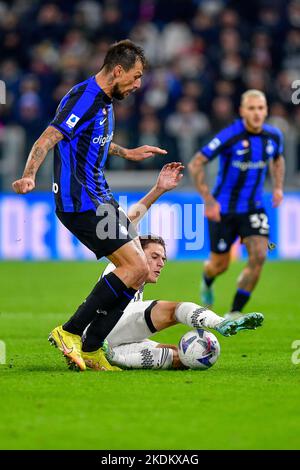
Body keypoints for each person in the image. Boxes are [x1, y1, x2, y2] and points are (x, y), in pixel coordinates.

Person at [12, 39, 168, 371]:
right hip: (81, 201)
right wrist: (29, 176)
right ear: (117, 70)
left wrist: (128, 153)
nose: (138, 85)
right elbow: (48, 137)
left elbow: (94, 139)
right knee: (135, 268)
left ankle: (93, 348)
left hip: (100, 197)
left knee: (138, 271)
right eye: (136, 77)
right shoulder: (84, 97)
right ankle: (69, 332)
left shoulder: (106, 100)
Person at [81, 163, 264, 371]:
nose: (160, 263)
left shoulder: (136, 283)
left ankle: (110, 355)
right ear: (138, 251)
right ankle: (220, 323)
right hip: (100, 328)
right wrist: (158, 189)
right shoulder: (123, 263)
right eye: (155, 256)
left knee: (184, 358)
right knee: (174, 310)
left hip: (117, 338)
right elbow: (131, 219)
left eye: (163, 260)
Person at [188, 89, 285, 319]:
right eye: (251, 108)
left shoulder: (273, 136)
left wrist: (279, 186)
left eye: (261, 108)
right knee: (219, 265)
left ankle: (234, 312)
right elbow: (196, 164)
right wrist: (208, 200)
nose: (257, 113)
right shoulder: (229, 136)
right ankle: (207, 279)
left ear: (266, 111)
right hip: (223, 210)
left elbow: (278, 158)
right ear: (242, 111)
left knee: (260, 255)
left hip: (253, 208)